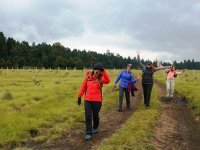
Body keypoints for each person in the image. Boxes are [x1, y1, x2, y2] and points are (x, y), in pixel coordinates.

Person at [77, 63, 110, 141]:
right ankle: (88, 133)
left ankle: (95, 127)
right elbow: (83, 87)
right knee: (88, 116)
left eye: (98, 71)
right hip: (87, 100)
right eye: (96, 70)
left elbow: (108, 80)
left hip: (97, 101)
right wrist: (79, 96)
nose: (97, 72)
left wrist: (103, 71)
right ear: (93, 70)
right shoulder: (88, 77)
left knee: (95, 115)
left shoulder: (101, 79)